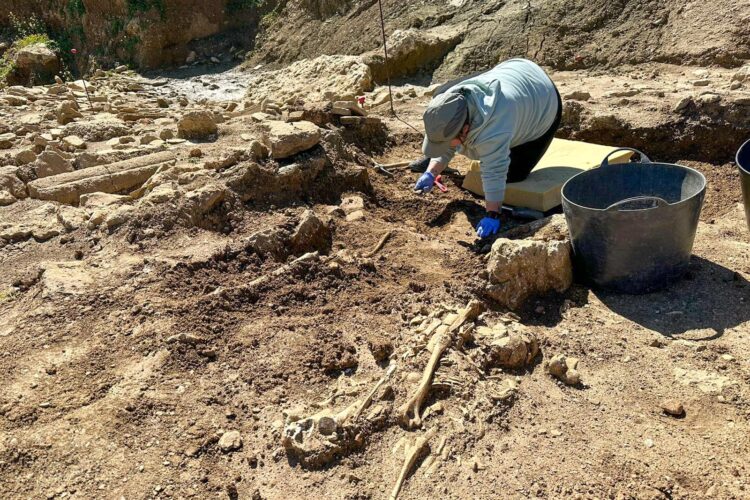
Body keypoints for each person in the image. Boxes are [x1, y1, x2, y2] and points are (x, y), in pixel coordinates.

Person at [414, 58, 562, 238]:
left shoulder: (494, 129)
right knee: (448, 124)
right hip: (512, 70)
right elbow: (448, 137)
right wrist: (432, 172)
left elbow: (494, 171)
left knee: (512, 175)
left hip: (545, 101)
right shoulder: (446, 100)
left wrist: (492, 214)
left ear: (466, 130)